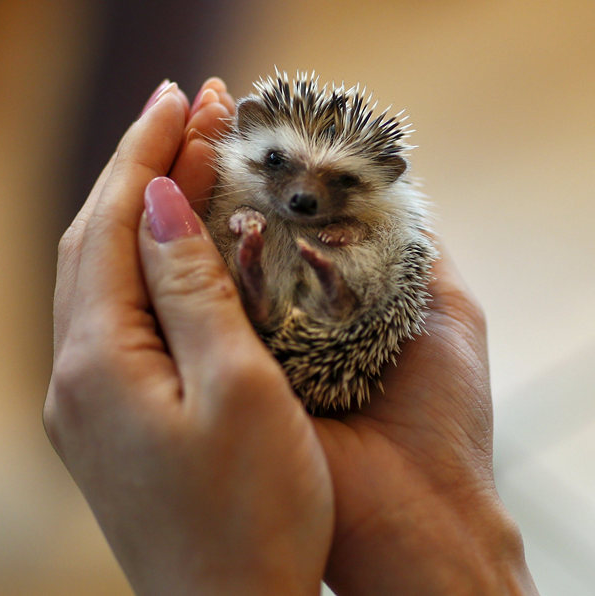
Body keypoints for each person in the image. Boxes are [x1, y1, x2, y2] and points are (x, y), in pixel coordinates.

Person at [43, 79, 539, 595]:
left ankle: (311, 290)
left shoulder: (381, 223)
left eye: (342, 181)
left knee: (360, 270)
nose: (304, 194)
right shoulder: (239, 181)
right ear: (249, 132)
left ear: (387, 181)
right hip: (306, 302)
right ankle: (285, 287)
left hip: (338, 313)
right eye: (279, 163)